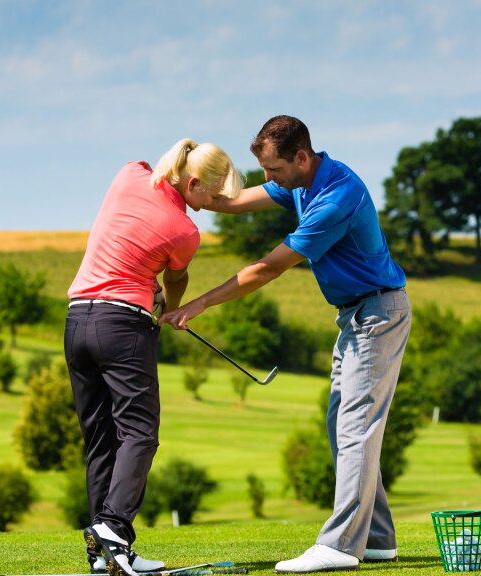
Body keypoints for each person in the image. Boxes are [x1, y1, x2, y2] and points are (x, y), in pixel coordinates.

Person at [161, 116, 411, 573]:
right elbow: (235, 202)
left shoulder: (337, 196)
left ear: (300, 157)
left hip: (378, 314)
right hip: (356, 316)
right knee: (343, 426)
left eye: (273, 170)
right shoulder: (298, 181)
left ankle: (340, 544)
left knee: (357, 426)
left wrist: (196, 305)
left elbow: (268, 268)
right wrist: (184, 195)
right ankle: (376, 539)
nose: (268, 180)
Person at [66, 138, 242, 576]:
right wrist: (169, 307)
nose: (215, 204)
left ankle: (106, 555)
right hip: (123, 327)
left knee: (102, 439)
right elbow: (174, 281)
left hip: (76, 321)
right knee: (140, 434)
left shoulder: (129, 174)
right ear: (195, 182)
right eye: (214, 195)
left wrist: (150, 285)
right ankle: (113, 527)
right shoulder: (185, 232)